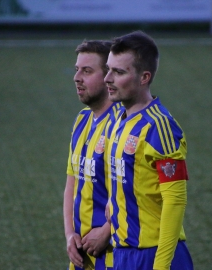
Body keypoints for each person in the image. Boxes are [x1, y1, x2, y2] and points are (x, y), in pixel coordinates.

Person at [104, 31, 194, 270]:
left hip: (155, 255)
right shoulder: (118, 120)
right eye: (108, 69)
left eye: (119, 72)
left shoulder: (159, 126)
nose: (107, 79)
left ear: (144, 77)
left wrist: (161, 265)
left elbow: (175, 201)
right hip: (124, 255)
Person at [63, 40, 123, 270]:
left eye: (87, 71)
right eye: (77, 69)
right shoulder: (82, 120)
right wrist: (70, 235)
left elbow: (135, 191)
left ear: (109, 77)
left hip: (114, 254)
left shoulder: (122, 124)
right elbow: (72, 184)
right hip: (82, 256)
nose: (77, 77)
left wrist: (107, 231)